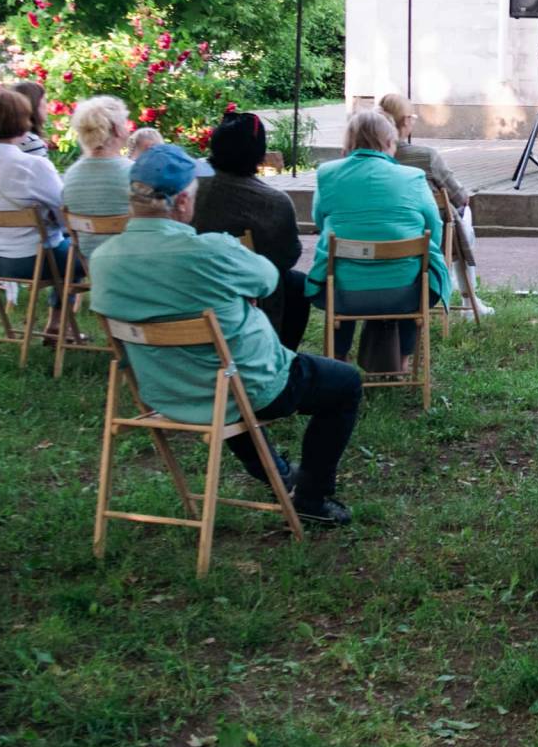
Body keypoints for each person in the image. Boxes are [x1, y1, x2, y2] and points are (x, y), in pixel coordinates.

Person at [88, 144, 361, 526]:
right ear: (183, 201)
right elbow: (269, 280)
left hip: (166, 392)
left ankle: (275, 471)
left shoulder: (103, 260)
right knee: (343, 383)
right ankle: (311, 500)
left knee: (221, 373)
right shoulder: (208, 252)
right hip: (240, 386)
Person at [305, 109, 452, 369]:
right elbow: (434, 226)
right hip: (405, 295)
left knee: (338, 272)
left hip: (343, 296)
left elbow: (319, 219)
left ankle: (338, 360)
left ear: (349, 142)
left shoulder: (327, 174)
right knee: (419, 270)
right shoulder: (413, 177)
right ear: (388, 142)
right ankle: (403, 360)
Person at [193, 111, 309, 347]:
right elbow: (287, 256)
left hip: (192, 283)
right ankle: (283, 355)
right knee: (296, 284)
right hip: (250, 292)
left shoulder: (190, 188)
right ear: (259, 152)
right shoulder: (274, 201)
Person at [0, 88, 72, 339]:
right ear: (23, 120)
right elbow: (66, 216)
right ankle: (57, 323)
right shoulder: (34, 166)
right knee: (82, 253)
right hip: (34, 261)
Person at [379, 92, 489, 315]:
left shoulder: (365, 163)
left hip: (377, 236)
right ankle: (469, 299)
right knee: (461, 215)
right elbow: (459, 196)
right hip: (428, 239)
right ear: (406, 121)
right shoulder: (425, 156)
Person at [60, 96, 135, 253]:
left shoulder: (71, 176)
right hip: (129, 261)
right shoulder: (133, 172)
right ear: (116, 129)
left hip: (89, 262)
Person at [9, 80, 51, 158]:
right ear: (34, 106)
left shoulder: (5, 139)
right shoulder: (30, 143)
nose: (47, 107)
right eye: (44, 102)